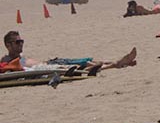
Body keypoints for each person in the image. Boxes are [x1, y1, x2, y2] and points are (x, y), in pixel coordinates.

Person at [2, 30, 137, 73]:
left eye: (22, 41)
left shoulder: (21, 57)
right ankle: (117, 64)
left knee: (88, 61)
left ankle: (118, 62)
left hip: (52, 62)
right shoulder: (6, 61)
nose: (21, 44)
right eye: (17, 42)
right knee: (84, 65)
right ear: (8, 45)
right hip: (49, 67)